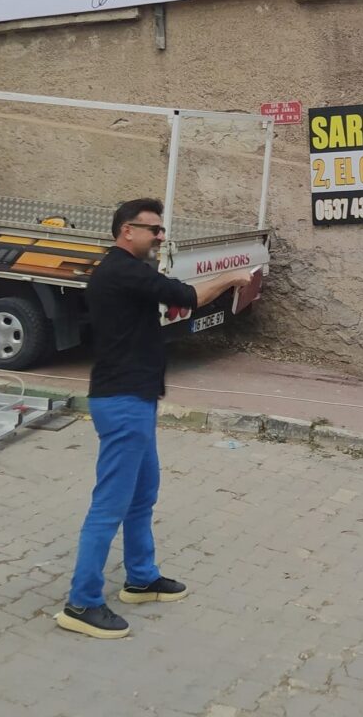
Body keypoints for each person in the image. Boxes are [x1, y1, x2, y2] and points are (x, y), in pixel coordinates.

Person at [55, 198, 254, 639]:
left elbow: (176, 298)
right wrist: (233, 277)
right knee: (109, 505)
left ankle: (141, 578)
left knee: (143, 493)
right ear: (127, 231)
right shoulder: (124, 270)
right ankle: (81, 603)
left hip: (136, 397)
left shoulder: (127, 272)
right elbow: (188, 296)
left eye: (162, 230)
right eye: (154, 230)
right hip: (122, 401)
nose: (160, 237)